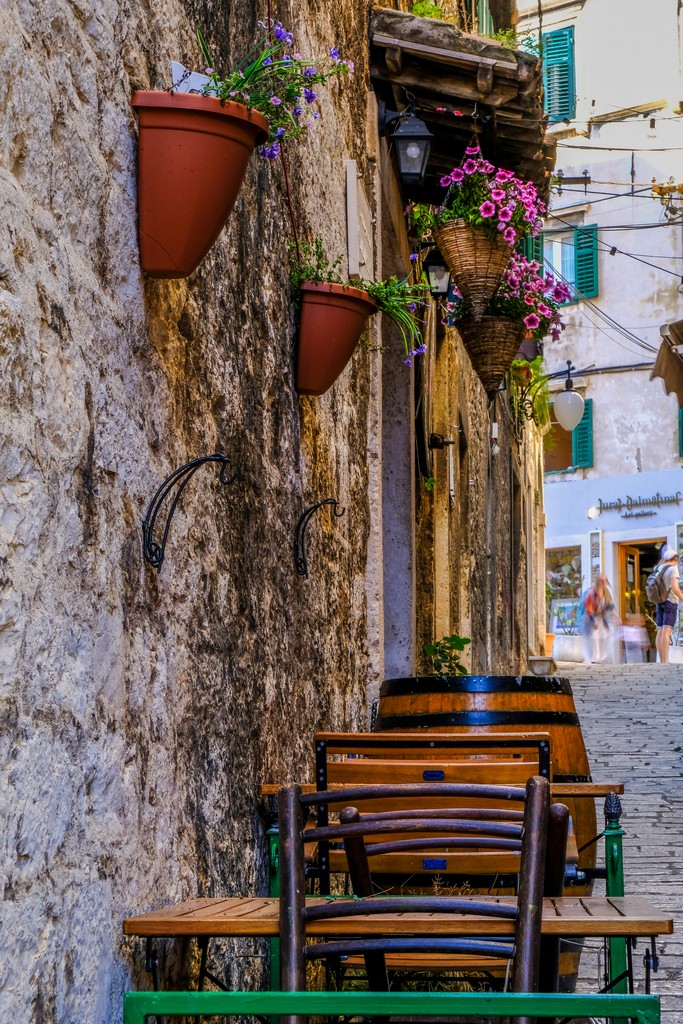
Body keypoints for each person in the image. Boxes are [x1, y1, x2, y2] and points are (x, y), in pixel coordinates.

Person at [653, 546, 683, 664]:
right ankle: (665, 660)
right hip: (670, 602)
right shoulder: (673, 569)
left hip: (659, 601)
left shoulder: (658, 568)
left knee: (660, 630)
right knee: (667, 631)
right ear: (675, 559)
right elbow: (675, 588)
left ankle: (662, 660)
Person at [578, 575, 616, 664]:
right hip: (591, 619)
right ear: (598, 581)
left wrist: (615, 616)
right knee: (593, 639)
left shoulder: (606, 592)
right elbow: (589, 608)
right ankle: (593, 659)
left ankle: (599, 659)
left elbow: (609, 605)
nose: (604, 582)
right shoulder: (591, 592)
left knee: (604, 638)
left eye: (605, 581)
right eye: (602, 581)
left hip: (601, 619)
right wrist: (593, 621)